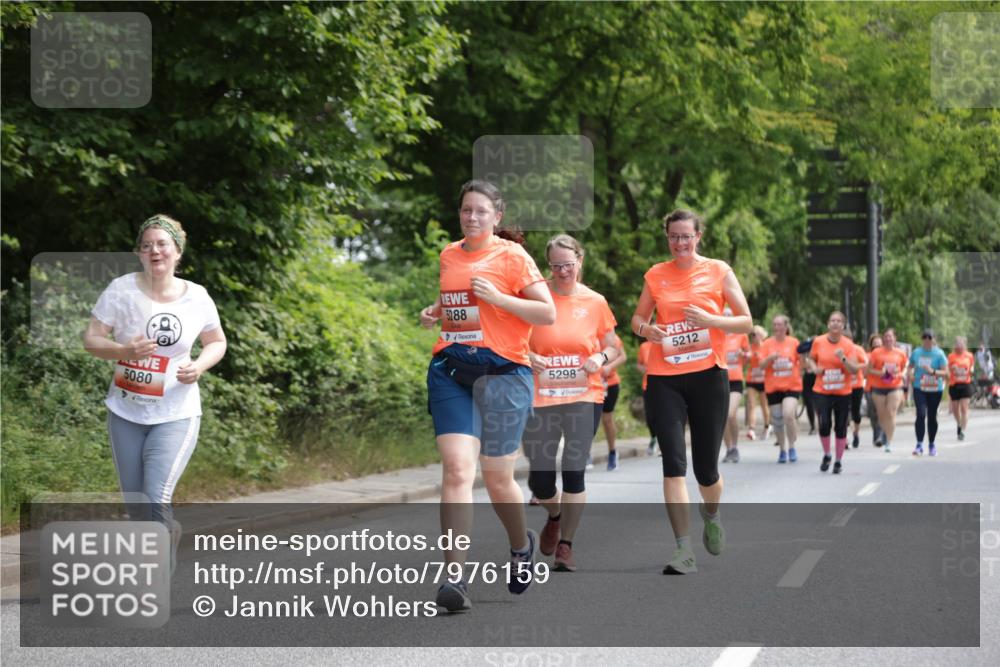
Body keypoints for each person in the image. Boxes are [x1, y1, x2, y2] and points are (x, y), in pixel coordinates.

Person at [420, 180, 556, 612]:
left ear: (497, 216)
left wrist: (501, 298)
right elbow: (457, 300)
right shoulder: (448, 254)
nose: (472, 217)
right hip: (452, 371)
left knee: (498, 480)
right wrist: (435, 311)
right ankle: (454, 578)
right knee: (458, 470)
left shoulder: (513, 256)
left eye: (481, 211)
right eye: (466, 210)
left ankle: (520, 547)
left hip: (504, 376)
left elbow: (546, 311)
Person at [82, 215, 227, 567]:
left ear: (177, 251)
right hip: (126, 411)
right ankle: (165, 535)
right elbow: (92, 339)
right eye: (146, 245)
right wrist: (123, 351)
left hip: (176, 412)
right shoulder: (121, 290)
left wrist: (200, 365)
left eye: (162, 244)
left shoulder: (197, 297)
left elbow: (217, 342)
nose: (154, 251)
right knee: (136, 504)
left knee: (155, 496)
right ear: (139, 253)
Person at [630, 209, 753, 575]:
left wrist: (713, 320)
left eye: (686, 236)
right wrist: (646, 331)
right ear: (667, 238)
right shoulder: (656, 275)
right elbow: (638, 318)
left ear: (699, 236)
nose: (680, 243)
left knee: (706, 470)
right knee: (673, 463)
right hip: (665, 377)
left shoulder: (718, 270)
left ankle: (711, 513)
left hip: (708, 376)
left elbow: (746, 320)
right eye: (673, 237)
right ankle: (683, 550)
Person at [524, 234, 619, 572]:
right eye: (556, 265)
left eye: (568, 264)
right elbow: (510, 338)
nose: (563, 271)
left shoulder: (595, 301)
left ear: (580, 260)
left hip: (584, 395)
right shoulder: (534, 298)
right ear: (548, 265)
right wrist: (528, 355)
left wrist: (600, 357)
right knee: (540, 479)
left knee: (574, 470)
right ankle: (554, 514)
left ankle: (566, 545)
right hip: (541, 396)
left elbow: (615, 347)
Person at [804, 312, 861, 474]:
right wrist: (815, 368)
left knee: (841, 426)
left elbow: (855, 370)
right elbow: (811, 358)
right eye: (832, 321)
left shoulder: (848, 345)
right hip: (822, 390)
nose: (835, 323)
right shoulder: (819, 341)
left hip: (843, 391)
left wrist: (843, 358)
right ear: (828, 324)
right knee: (824, 424)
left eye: (839, 321)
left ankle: (838, 460)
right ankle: (827, 454)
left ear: (843, 326)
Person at [760, 315, 802, 463]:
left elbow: (801, 362)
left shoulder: (794, 342)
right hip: (773, 387)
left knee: (788, 414)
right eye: (774, 325)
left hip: (792, 385)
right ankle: (782, 449)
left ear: (786, 327)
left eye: (779, 325)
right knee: (777, 420)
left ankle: (792, 447)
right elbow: (761, 365)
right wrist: (770, 358)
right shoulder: (767, 344)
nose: (776, 327)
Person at [866, 328, 908, 453]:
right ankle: (884, 432)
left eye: (890, 336)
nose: (888, 339)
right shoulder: (876, 353)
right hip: (878, 387)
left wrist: (901, 373)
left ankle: (888, 442)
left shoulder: (900, 353)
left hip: (895, 386)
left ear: (895, 338)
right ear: (883, 339)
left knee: (891, 413)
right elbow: (869, 370)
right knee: (881, 414)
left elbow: (905, 366)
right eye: (886, 336)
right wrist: (881, 372)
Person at [908, 329, 948, 456]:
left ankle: (931, 444)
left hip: (935, 389)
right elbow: (910, 367)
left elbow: (946, 373)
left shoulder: (939, 354)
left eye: (929, 337)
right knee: (920, 414)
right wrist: (910, 375)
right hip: (920, 387)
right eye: (924, 337)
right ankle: (919, 444)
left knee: (932, 416)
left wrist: (933, 371)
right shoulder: (916, 352)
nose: (927, 340)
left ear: (934, 339)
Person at [722, 318, 750, 463]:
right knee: (722, 417)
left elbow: (749, 356)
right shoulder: (716, 334)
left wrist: (744, 355)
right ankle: (729, 449)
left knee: (730, 414)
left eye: (728, 315)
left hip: (736, 381)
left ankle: (735, 446)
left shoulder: (741, 335)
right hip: (719, 380)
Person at [599, 335, 627, 470]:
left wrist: (609, 367)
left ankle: (612, 452)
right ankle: (584, 454)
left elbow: (623, 356)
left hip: (610, 383)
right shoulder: (586, 332)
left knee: (607, 419)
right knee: (587, 419)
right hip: (591, 384)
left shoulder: (613, 336)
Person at [745, 325, 772, 441]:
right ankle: (751, 429)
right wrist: (746, 357)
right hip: (751, 379)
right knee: (751, 404)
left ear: (761, 335)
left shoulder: (766, 347)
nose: (753, 337)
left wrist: (758, 356)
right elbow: (745, 362)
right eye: (752, 335)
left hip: (764, 380)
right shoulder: (750, 347)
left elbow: (770, 361)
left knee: (764, 405)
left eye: (755, 334)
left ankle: (767, 426)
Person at [948, 336, 975, 441]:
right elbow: (947, 369)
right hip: (954, 384)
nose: (959, 346)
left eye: (961, 344)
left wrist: (971, 370)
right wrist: (952, 368)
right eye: (957, 344)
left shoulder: (969, 356)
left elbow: (972, 366)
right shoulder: (951, 356)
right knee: (955, 410)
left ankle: (962, 431)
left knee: (964, 408)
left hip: (965, 384)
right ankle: (959, 424)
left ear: (965, 345)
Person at [846, 329, 867, 449]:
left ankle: (856, 433)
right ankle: (845, 438)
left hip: (857, 385)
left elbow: (865, 363)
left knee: (856, 413)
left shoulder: (858, 350)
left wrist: (855, 367)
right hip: (843, 386)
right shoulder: (838, 350)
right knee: (844, 413)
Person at [636, 340, 657, 455]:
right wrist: (642, 369)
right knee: (650, 415)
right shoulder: (644, 346)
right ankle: (654, 437)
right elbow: (639, 364)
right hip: (647, 384)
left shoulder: (664, 342)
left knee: (664, 414)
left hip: (664, 384)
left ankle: (664, 442)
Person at [865, 333, 885, 446]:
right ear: (871, 344)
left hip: (883, 387)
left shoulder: (886, 355)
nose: (877, 345)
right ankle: (876, 434)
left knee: (880, 411)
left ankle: (880, 436)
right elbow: (865, 372)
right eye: (875, 343)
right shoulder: (868, 356)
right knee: (873, 413)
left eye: (879, 343)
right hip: (870, 387)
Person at [798, 336, 818, 436]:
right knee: (809, 403)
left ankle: (823, 424)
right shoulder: (804, 353)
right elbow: (802, 366)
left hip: (817, 377)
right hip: (807, 378)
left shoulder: (820, 352)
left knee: (819, 403)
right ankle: (813, 426)